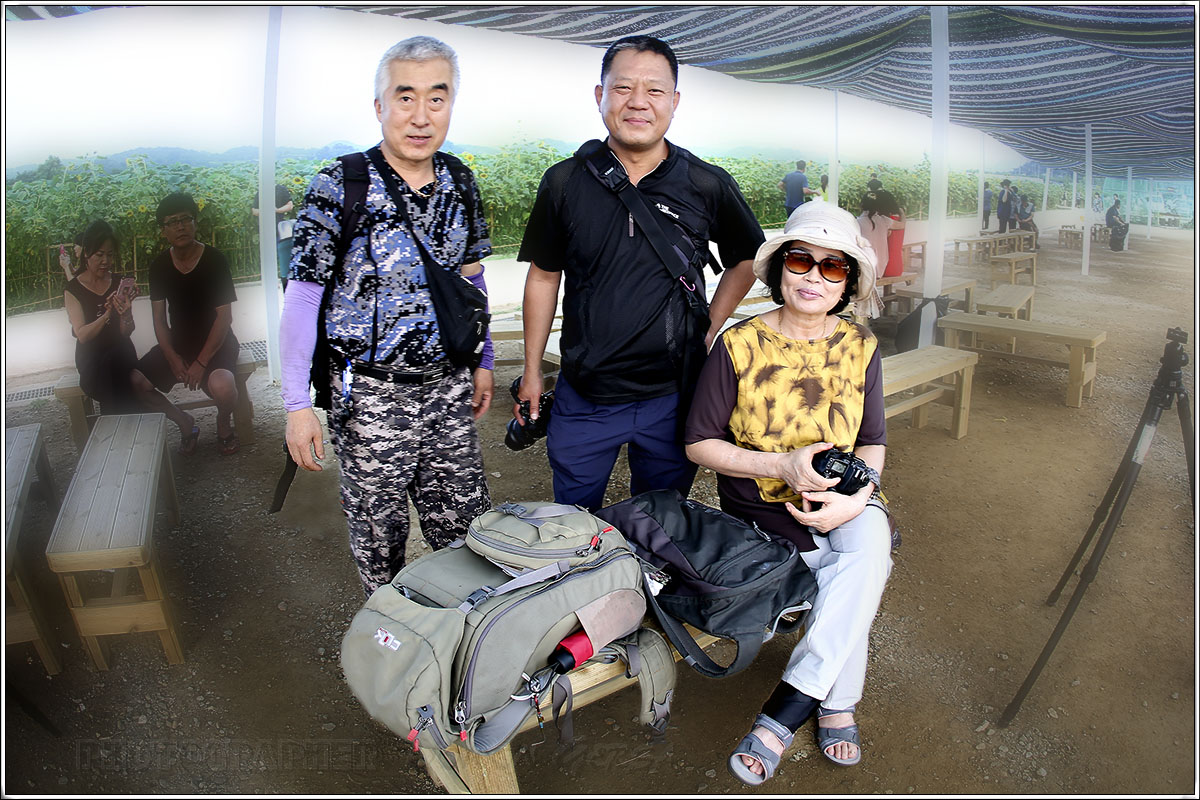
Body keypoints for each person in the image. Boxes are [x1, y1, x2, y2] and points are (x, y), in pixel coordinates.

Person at [683, 201, 892, 785]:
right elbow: (699, 444)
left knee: (866, 545)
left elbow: (872, 442)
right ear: (780, 269)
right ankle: (832, 702)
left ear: (847, 282)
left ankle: (785, 712)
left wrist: (858, 499)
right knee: (856, 576)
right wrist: (782, 464)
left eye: (833, 266)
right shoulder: (739, 344)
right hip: (763, 509)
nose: (814, 276)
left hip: (847, 498)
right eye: (801, 259)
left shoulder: (861, 346)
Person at [281, 36, 493, 597]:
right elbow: (302, 298)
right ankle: (391, 642)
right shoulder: (340, 184)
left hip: (449, 391)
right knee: (380, 545)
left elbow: (471, 281)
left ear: (451, 105)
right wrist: (297, 405)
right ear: (379, 106)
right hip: (371, 398)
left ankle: (464, 639)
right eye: (405, 97)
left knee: (469, 540)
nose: (421, 116)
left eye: (436, 98)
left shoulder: (460, 181)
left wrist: (485, 360)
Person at [516, 35, 764, 512]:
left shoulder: (705, 183)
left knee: (661, 518)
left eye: (654, 90)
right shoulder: (564, 182)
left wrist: (710, 325)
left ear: (674, 101)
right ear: (600, 95)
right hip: (584, 393)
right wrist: (531, 372)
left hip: (674, 395)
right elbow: (544, 277)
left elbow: (748, 257)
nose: (638, 102)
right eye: (623, 87)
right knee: (574, 520)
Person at [66, 220, 197, 438]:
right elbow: (82, 335)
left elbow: (126, 332)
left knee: (117, 363)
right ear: (86, 253)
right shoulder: (73, 290)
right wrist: (107, 314)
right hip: (92, 361)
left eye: (110, 255)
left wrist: (126, 313)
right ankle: (141, 432)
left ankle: (121, 435)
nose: (105, 261)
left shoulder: (118, 283)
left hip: (121, 354)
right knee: (116, 372)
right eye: (99, 255)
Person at [136, 193, 242, 455]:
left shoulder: (214, 260)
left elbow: (224, 317)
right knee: (136, 382)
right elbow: (159, 319)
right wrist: (172, 357)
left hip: (217, 343)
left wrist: (201, 363)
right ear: (164, 230)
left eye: (185, 219)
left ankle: (223, 422)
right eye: (172, 222)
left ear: (195, 222)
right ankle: (184, 422)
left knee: (223, 385)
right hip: (179, 343)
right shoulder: (159, 266)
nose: (180, 226)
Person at [252, 183, 295, 290]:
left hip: (280, 228)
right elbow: (254, 210)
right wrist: (266, 211)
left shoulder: (281, 189)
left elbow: (290, 205)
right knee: (270, 256)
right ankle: (273, 281)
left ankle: (287, 280)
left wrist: (276, 210)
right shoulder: (261, 190)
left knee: (283, 256)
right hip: (266, 229)